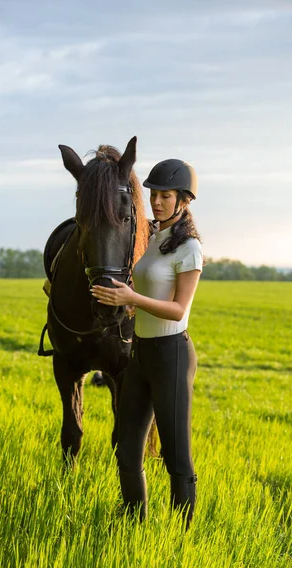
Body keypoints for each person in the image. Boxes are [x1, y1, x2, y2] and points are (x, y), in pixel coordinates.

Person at [91, 158, 203, 529]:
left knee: (176, 456)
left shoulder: (189, 250)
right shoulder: (154, 238)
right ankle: (133, 521)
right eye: (154, 194)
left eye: (165, 195)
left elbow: (177, 309)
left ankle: (182, 536)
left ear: (183, 200)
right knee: (127, 449)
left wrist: (131, 299)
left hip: (171, 355)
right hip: (140, 353)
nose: (156, 201)